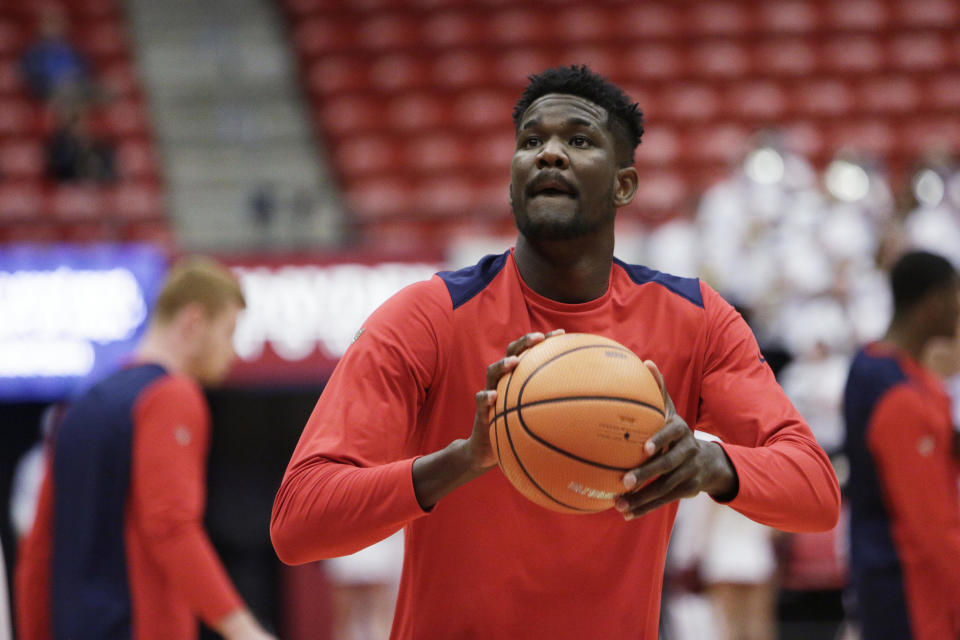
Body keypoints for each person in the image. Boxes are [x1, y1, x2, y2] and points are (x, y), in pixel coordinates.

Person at [270, 65, 840, 639]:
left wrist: (708, 463)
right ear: (511, 178)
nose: (549, 153)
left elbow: (815, 492)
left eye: (580, 139)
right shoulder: (428, 315)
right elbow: (297, 523)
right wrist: (465, 459)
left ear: (624, 185)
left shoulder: (695, 319)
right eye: (531, 141)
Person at [15, 257, 276, 640]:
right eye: (229, 332)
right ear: (193, 321)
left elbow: (39, 548)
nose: (232, 353)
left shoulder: (80, 405)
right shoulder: (172, 396)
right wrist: (245, 630)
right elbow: (171, 527)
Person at [843, 250, 960, 640]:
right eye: (954, 296)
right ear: (932, 302)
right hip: (908, 588)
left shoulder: (904, 376)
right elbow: (929, 524)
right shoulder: (896, 394)